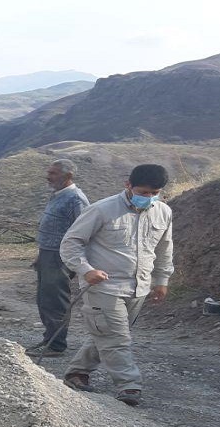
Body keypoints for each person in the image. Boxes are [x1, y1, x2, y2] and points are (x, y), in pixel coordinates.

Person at [59, 164, 173, 406]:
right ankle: (129, 386)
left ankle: (76, 372)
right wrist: (86, 270)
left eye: (154, 193)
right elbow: (71, 243)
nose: (148, 198)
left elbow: (164, 249)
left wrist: (162, 280)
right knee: (116, 338)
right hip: (104, 288)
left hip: (139, 288)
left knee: (106, 334)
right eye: (143, 192)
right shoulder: (101, 210)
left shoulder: (163, 212)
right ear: (128, 185)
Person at [28, 159, 89, 357]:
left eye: (53, 173)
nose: (48, 176)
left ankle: (56, 345)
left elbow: (83, 231)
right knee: (45, 299)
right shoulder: (58, 195)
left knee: (56, 300)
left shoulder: (75, 199)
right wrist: (41, 254)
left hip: (61, 256)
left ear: (68, 176)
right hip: (48, 253)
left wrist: (75, 260)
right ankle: (50, 339)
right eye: (49, 172)